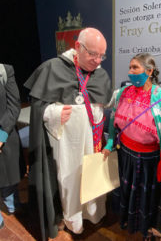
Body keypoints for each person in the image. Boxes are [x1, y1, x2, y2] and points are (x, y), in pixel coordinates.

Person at [24, 28, 112, 240]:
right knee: (71, 180)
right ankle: (73, 219)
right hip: (66, 143)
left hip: (94, 140)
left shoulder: (100, 73)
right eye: (93, 53)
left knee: (93, 178)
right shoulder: (53, 68)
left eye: (102, 55)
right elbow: (39, 108)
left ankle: (93, 213)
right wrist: (52, 113)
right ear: (78, 47)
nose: (97, 60)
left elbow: (106, 100)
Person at [102, 53, 161, 241]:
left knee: (147, 199)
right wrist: (110, 142)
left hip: (148, 161)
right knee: (128, 191)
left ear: (149, 71)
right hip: (125, 155)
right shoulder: (123, 92)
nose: (130, 72)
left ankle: (149, 230)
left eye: (135, 68)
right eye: (129, 68)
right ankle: (128, 221)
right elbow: (113, 119)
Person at [0, 64, 25, 229]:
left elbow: (14, 105)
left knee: (8, 175)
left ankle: (12, 204)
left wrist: (1, 135)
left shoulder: (5, 71)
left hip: (4, 133)